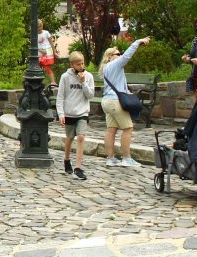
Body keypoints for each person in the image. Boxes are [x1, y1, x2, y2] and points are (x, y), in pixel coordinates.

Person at [99, 37, 149, 167]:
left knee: (111, 130)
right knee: (128, 128)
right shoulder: (114, 65)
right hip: (115, 102)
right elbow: (127, 56)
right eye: (117, 54)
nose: (120, 56)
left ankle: (110, 158)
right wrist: (137, 42)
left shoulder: (106, 68)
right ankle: (126, 158)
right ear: (110, 56)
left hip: (107, 101)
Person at [56, 51, 93, 180]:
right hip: (69, 112)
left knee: (81, 137)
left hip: (82, 112)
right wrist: (61, 113)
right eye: (78, 64)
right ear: (72, 64)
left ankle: (77, 168)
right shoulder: (65, 77)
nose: (81, 66)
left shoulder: (88, 76)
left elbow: (90, 95)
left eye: (82, 63)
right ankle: (66, 159)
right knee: (69, 137)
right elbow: (60, 96)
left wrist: (83, 82)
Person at [37, 20, 55, 88]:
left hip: (46, 53)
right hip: (39, 53)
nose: (40, 28)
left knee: (47, 67)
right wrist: (40, 50)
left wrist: (54, 51)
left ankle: (53, 82)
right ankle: (39, 82)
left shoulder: (46, 33)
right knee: (38, 68)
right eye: (38, 27)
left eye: (41, 26)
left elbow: (51, 42)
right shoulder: (35, 35)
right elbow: (34, 45)